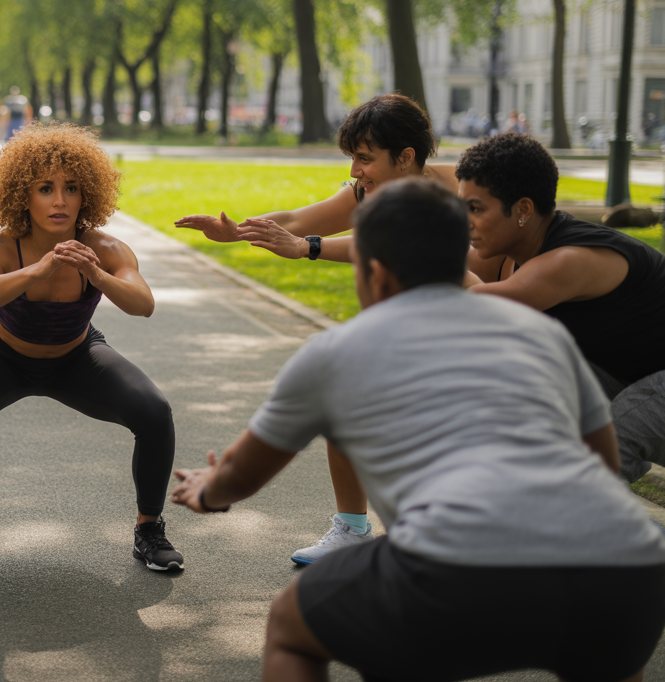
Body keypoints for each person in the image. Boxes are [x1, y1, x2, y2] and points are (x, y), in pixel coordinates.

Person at [171, 178, 665, 682]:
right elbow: (602, 458)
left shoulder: (336, 354)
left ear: (377, 275)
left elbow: (243, 474)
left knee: (292, 622)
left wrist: (209, 492)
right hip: (625, 566)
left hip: (453, 568)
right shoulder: (542, 333)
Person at [174, 93, 460, 564]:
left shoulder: (461, 195)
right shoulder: (366, 193)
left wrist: (308, 247)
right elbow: (296, 220)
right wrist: (239, 231)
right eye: (353, 159)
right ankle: (352, 527)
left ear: (406, 157)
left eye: (365, 159)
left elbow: (401, 247)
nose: (354, 171)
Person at [0, 122, 182, 572]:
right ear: (23, 195)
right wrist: (35, 272)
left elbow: (144, 304)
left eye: (71, 188)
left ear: (86, 195)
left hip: (75, 357)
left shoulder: (106, 247)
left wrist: (97, 276)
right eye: (45, 188)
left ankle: (149, 529)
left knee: (154, 411)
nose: (59, 201)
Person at [458, 132, 665, 484]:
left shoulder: (566, 261)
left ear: (523, 209)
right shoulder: (531, 242)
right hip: (629, 377)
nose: (464, 220)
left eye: (475, 208)